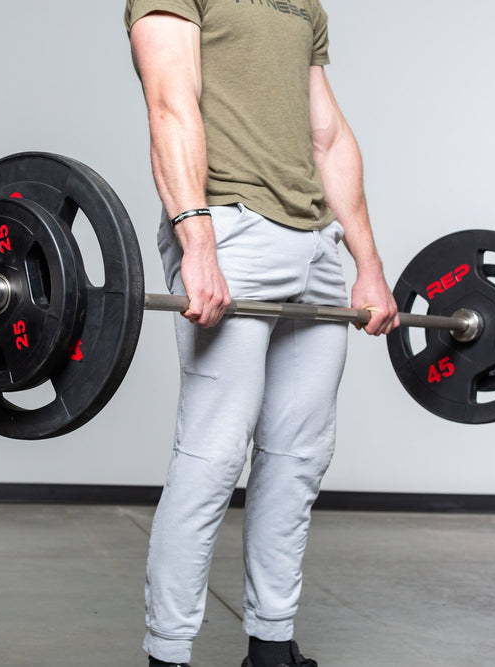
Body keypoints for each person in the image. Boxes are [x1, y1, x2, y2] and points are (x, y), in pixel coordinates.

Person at [124, 1, 399, 666]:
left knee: (298, 457)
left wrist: (367, 262)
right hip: (230, 230)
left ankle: (271, 647)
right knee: (213, 454)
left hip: (315, 242)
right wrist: (197, 243)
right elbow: (170, 104)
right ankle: (168, 653)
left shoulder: (305, 3)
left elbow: (328, 137)